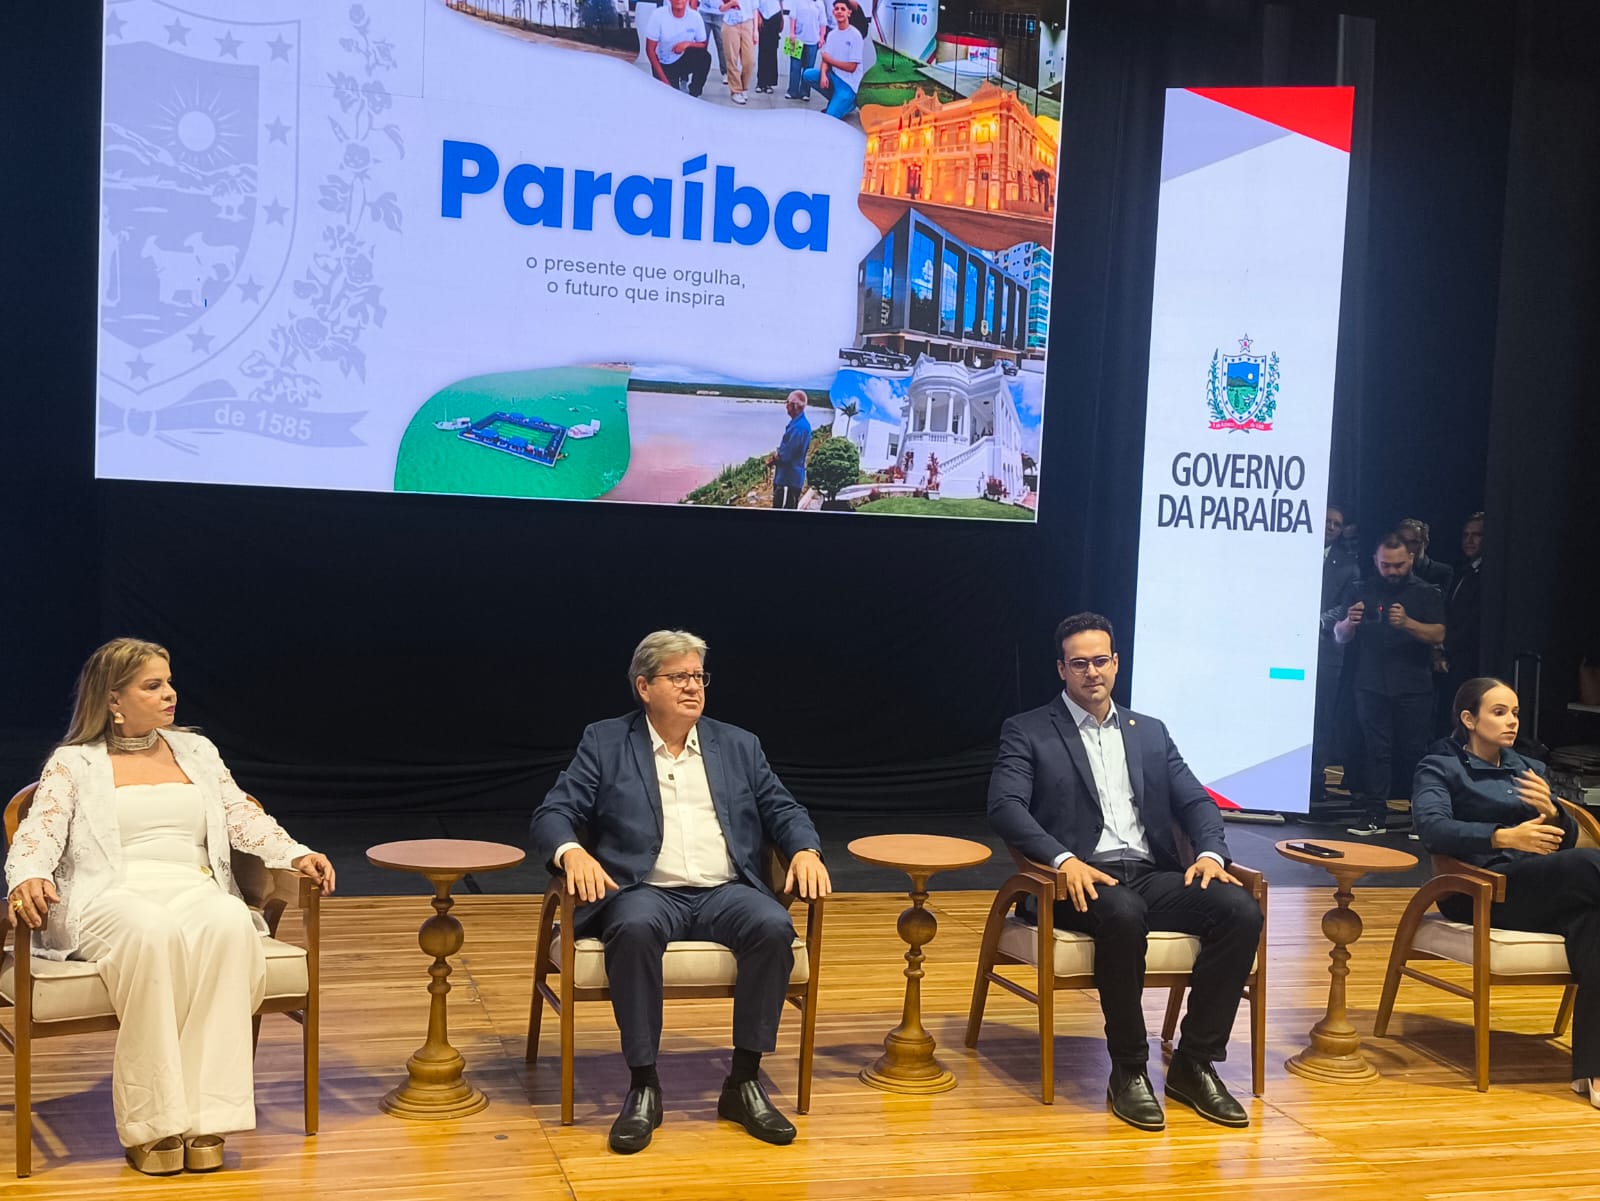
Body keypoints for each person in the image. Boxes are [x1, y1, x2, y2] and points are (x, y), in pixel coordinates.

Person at [3, 638, 336, 1175]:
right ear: (114, 699)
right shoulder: (74, 763)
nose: (170, 694)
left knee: (231, 922)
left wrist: (295, 853)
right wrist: (30, 873)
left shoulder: (196, 751)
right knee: (151, 931)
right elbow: (39, 832)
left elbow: (241, 815)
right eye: (153, 685)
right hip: (110, 895)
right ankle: (151, 1125)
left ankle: (208, 1116)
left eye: (169, 681)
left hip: (193, 886)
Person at [530, 630, 830, 1153]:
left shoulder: (738, 744)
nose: (693, 686)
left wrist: (806, 849)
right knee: (634, 927)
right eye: (679, 677)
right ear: (644, 687)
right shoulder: (605, 741)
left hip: (724, 890)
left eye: (698, 676)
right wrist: (571, 853)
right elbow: (554, 812)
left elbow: (784, 809)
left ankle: (743, 1082)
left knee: (772, 925)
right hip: (645, 890)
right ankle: (644, 1085)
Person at [987, 613, 1263, 1132]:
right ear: (1062, 669)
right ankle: (1129, 1069)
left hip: (1149, 872)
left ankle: (1194, 1063)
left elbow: (1197, 802)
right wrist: (1063, 860)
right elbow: (1005, 807)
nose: (1092, 672)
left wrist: (1211, 854)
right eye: (1079, 663)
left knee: (1239, 910)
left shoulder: (1149, 732)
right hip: (1073, 880)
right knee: (1123, 912)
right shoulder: (1028, 730)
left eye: (1100, 661)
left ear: (1116, 663)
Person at [1412, 677, 1600, 1106]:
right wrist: (1502, 836)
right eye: (1499, 712)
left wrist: (1554, 813)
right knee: (1588, 864)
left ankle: (1592, 1070)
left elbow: (1565, 839)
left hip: (1536, 885)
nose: (1512, 721)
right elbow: (1432, 828)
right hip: (1478, 889)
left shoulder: (1527, 769)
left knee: (1595, 921)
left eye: (1514, 712)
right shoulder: (1440, 767)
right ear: (1469, 719)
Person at [1334, 533, 1447, 834]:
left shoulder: (1426, 592)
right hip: (1370, 682)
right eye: (1386, 565)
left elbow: (1438, 634)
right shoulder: (1360, 589)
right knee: (1375, 750)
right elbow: (1340, 636)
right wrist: (1349, 622)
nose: (1392, 571)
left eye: (1398, 565)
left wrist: (1408, 623)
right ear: (1375, 560)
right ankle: (1375, 814)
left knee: (1414, 751)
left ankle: (1421, 816)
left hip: (1414, 683)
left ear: (1410, 558)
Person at [1313, 504, 1361, 812]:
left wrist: (1315, 621)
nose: (1331, 527)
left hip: (1326, 649)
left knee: (1321, 718)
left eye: (1337, 524)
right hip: (1283, 647)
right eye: (1327, 521)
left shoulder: (1348, 565)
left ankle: (1315, 779)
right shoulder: (1294, 551)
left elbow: (1346, 607)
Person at [1436, 512, 1485, 734]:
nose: (1469, 540)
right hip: (1450, 660)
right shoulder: (1461, 571)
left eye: (1477, 535)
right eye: (1466, 535)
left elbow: (1474, 620)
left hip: (1471, 662)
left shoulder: (1488, 575)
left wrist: (1445, 646)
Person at [802, 1, 865, 120]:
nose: (839, 11)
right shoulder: (831, 35)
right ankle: (836, 99)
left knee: (830, 117)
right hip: (834, 77)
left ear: (849, 13)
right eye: (837, 9)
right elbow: (825, 59)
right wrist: (823, 75)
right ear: (833, 12)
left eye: (843, 9)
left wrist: (830, 60)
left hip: (848, 85)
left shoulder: (855, 35)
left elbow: (852, 67)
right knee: (807, 74)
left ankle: (850, 103)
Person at [646, 0, 712, 96]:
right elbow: (650, 50)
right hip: (665, 63)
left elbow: (703, 44)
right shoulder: (658, 15)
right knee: (671, 96)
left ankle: (694, 93)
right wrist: (665, 82)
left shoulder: (695, 17)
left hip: (683, 59)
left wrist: (687, 44)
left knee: (704, 57)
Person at [771, 389, 812, 509]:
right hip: (789, 478)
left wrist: (774, 458)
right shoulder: (798, 424)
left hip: (788, 480)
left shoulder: (799, 427)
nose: (786, 406)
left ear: (794, 406)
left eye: (787, 402)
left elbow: (786, 455)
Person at [1397, 517, 1455, 597]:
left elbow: (1443, 602)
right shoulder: (1391, 571)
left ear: (1425, 543)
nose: (1407, 547)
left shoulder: (1443, 572)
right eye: (1403, 542)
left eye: (1414, 542)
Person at [719, 0, 757, 105]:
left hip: (747, 22)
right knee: (732, 59)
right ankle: (736, 90)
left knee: (749, 61)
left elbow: (755, 8)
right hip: (730, 24)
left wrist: (755, 31)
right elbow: (721, 8)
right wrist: (732, 3)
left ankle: (744, 87)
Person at [784, 0, 821, 100]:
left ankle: (805, 92)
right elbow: (792, 17)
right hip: (797, 39)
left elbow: (823, 22)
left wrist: (821, 37)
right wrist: (791, 33)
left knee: (809, 67)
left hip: (813, 40)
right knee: (794, 66)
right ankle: (792, 91)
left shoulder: (819, 3)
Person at [690, 0, 728, 88]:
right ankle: (698, 73)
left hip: (720, 13)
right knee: (701, 44)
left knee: (722, 44)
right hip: (704, 12)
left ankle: (725, 72)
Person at [755, 0, 784, 92]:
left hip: (775, 15)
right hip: (762, 15)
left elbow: (780, 2)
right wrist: (758, 16)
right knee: (763, 50)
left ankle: (769, 83)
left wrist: (782, 17)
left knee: (772, 50)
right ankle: (760, 83)